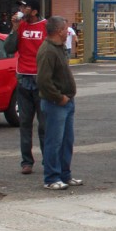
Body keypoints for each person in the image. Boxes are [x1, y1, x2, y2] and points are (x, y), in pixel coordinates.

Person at [4, 0, 47, 175]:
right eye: (21, 6)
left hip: (41, 80)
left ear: (35, 11)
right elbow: (8, 48)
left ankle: (48, 159)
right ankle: (26, 162)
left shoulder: (46, 26)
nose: (22, 9)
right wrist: (14, 29)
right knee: (25, 123)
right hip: (24, 79)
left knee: (44, 125)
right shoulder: (20, 26)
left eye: (26, 7)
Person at [36, 16, 80, 190]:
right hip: (56, 103)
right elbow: (43, 81)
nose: (67, 32)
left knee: (66, 140)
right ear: (59, 31)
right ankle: (51, 177)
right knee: (54, 141)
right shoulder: (48, 51)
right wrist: (59, 97)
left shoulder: (60, 48)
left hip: (66, 101)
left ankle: (65, 174)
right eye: (65, 29)